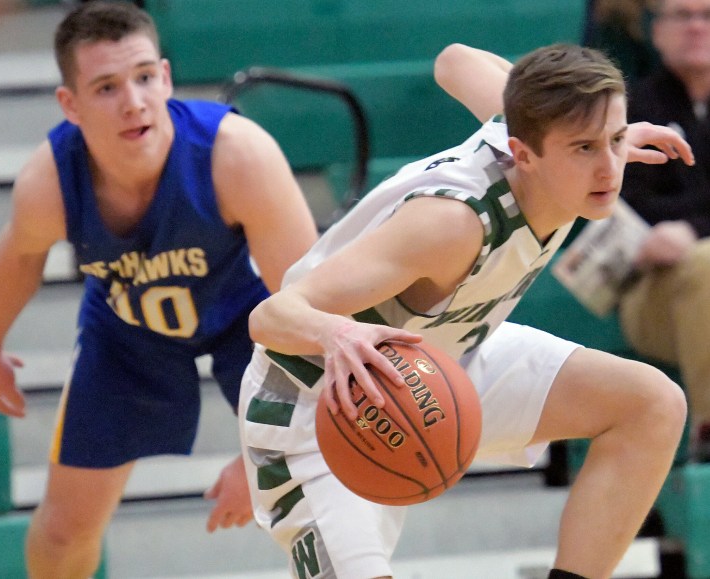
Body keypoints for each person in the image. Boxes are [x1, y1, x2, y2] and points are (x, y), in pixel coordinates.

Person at [238, 42, 694, 579]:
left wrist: (598, 135)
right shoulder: (450, 225)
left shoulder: (536, 132)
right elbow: (271, 316)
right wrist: (336, 333)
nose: (610, 168)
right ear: (523, 153)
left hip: (435, 359)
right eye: (584, 148)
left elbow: (452, 60)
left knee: (651, 405)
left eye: (616, 140)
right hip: (321, 405)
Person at [0, 2, 318, 577]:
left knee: (319, 498)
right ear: (70, 105)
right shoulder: (49, 182)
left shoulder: (239, 156)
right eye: (106, 87)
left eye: (143, 78)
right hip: (129, 332)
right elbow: (20, 256)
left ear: (166, 77)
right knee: (61, 534)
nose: (133, 101)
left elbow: (309, 309)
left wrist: (264, 455)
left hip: (253, 324)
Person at [617, 0, 710, 462]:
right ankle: (709, 433)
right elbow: (626, 202)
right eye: (681, 14)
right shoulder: (629, 108)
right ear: (656, 31)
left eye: (707, 15)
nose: (695, 26)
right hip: (653, 287)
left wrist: (690, 225)